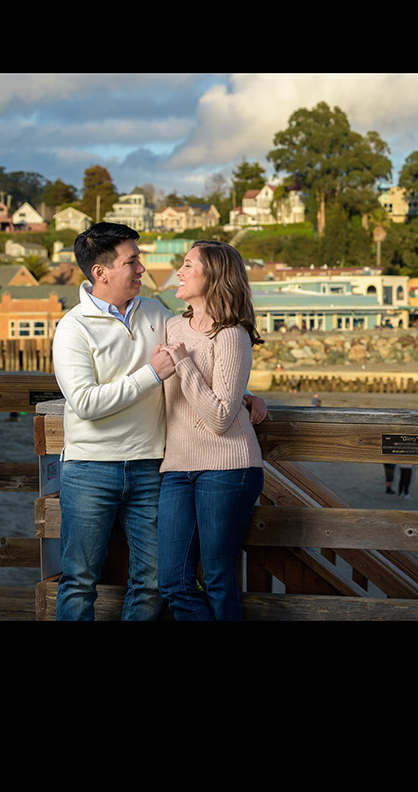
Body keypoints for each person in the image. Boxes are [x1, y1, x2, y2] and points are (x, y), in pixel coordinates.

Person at [50, 223, 262, 620]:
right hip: (89, 468)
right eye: (131, 262)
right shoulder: (72, 328)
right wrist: (152, 372)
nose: (141, 268)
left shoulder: (156, 313)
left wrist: (241, 396)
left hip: (152, 466)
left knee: (151, 583)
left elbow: (204, 352)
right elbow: (84, 403)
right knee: (79, 580)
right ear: (101, 272)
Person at [156, 240, 266, 622]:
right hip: (177, 467)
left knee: (219, 579)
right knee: (172, 581)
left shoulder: (232, 334)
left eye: (188, 265)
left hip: (228, 467)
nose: (179, 272)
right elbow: (201, 392)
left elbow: (220, 418)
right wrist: (246, 395)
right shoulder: (171, 326)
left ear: (213, 276)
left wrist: (184, 365)